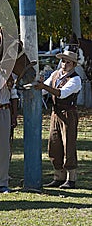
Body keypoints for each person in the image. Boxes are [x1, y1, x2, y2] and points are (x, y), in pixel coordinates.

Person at [34, 50, 82, 189]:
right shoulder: (55, 75)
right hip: (55, 113)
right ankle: (58, 177)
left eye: (68, 62)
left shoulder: (75, 79)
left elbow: (61, 94)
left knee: (69, 145)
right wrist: (40, 86)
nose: (64, 64)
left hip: (68, 114)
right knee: (54, 144)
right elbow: (44, 90)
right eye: (63, 61)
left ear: (73, 64)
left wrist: (44, 86)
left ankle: (71, 179)